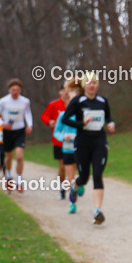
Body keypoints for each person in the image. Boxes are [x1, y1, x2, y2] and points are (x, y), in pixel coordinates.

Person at [61, 72, 115, 224]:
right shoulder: (78, 101)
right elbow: (65, 119)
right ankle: (75, 186)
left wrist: (111, 124)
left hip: (99, 142)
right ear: (84, 85)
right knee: (84, 177)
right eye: (89, 82)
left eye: (95, 82)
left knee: (98, 174)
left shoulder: (103, 101)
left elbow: (108, 117)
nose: (92, 85)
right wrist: (82, 123)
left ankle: (97, 211)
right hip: (82, 143)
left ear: (97, 85)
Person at [0, 78, 33, 192]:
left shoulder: (25, 101)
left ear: (20, 90)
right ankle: (9, 176)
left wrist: (30, 124)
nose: (15, 92)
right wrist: (2, 123)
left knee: (19, 156)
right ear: (9, 90)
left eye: (18, 90)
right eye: (13, 89)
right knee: (8, 157)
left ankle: (19, 181)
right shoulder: (3, 101)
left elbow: (28, 113)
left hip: (19, 130)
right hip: (7, 131)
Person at [53, 79, 81, 213]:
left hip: (81, 149)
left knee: (81, 175)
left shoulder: (81, 115)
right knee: (70, 178)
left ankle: (80, 184)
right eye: (69, 102)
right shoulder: (62, 116)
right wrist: (64, 137)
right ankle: (72, 203)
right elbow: (56, 132)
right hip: (67, 149)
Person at [41, 85, 69, 200]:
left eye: (69, 89)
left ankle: (73, 187)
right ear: (60, 92)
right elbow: (44, 116)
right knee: (62, 167)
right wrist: (49, 121)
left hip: (73, 141)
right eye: (65, 90)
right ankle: (62, 189)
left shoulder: (75, 104)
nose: (67, 92)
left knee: (72, 166)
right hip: (58, 141)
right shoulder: (54, 105)